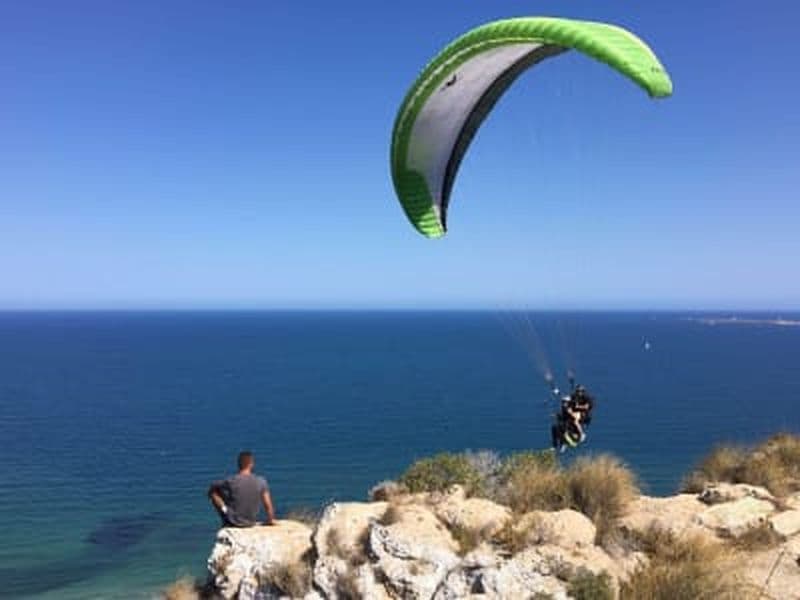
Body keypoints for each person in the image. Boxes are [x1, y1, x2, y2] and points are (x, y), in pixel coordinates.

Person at [208, 451, 276, 527]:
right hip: (251, 521)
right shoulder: (261, 481)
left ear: (238, 464)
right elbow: (268, 505)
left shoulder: (231, 481)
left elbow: (212, 487)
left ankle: (225, 516)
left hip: (233, 521)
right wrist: (270, 520)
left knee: (214, 493)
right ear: (251, 464)